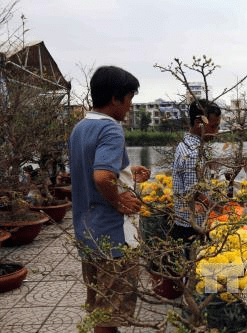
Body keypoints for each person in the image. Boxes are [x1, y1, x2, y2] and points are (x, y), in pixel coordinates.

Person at [69, 66, 150, 333]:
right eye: (129, 98)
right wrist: (118, 200)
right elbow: (102, 177)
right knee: (110, 315)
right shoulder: (111, 129)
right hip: (113, 237)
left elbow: (94, 169)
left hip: (89, 232)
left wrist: (127, 172)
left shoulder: (81, 128)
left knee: (100, 310)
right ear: (116, 98)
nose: (130, 105)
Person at [172, 99, 222, 245]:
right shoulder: (192, 152)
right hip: (191, 226)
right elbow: (194, 193)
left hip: (188, 221)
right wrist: (220, 208)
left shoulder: (186, 145)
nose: (216, 132)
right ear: (199, 123)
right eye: (214, 127)